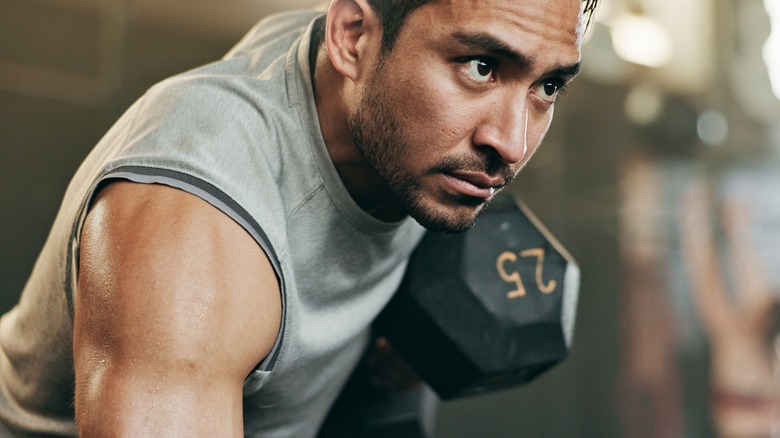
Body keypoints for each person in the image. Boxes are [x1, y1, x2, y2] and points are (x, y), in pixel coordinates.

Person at [0, 0, 596, 435]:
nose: (512, 144)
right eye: (481, 68)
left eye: (546, 86)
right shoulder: (190, 226)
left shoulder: (397, 118)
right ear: (353, 37)